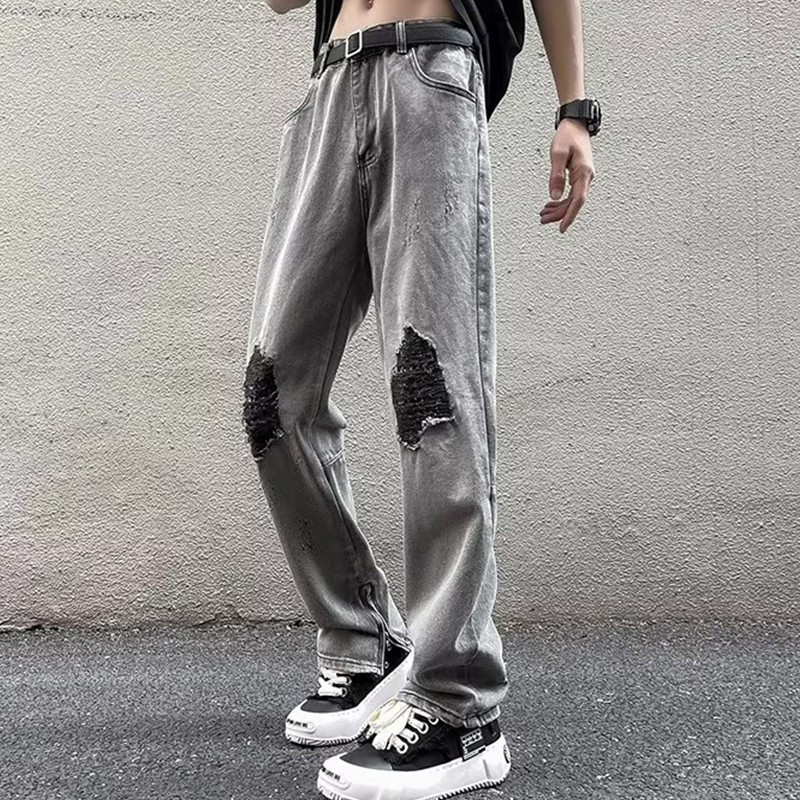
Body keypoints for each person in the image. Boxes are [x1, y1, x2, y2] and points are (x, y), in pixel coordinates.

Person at [241, 0, 599, 796]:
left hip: (429, 73)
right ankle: (367, 642)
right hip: (331, 88)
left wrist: (575, 108)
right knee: (273, 396)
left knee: (430, 388)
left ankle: (460, 704)